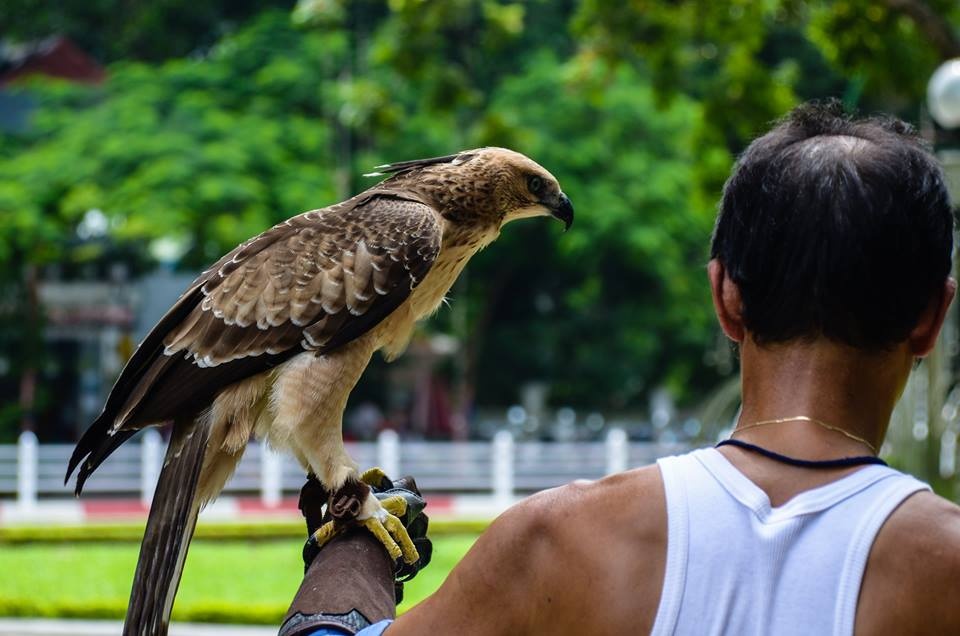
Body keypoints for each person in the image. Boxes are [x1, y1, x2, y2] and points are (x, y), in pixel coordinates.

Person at [278, 101, 960, 635]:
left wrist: (349, 560)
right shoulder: (945, 568)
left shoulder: (555, 541)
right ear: (932, 317)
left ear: (726, 298)